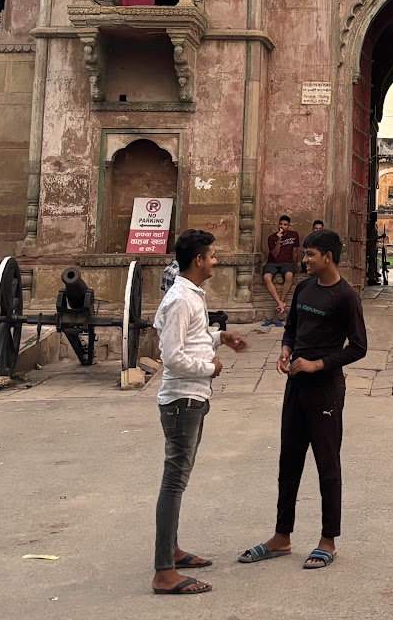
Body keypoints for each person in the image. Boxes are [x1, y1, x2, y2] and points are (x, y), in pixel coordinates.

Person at [239, 228, 368, 570]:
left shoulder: (345, 297)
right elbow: (292, 327)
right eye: (305, 254)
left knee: (327, 464)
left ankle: (329, 539)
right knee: (289, 462)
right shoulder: (304, 288)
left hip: (325, 389)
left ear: (328, 257)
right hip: (295, 386)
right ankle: (282, 536)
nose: (304, 259)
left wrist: (318, 364)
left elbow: (358, 347)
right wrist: (286, 350)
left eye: (311, 255)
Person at [150, 229, 248, 596]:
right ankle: (164, 571)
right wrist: (210, 367)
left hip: (191, 398)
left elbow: (189, 338)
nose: (215, 261)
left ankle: (171, 551)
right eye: (212, 256)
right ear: (198, 261)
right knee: (173, 483)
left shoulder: (189, 296)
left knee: (178, 480)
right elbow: (172, 356)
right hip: (182, 399)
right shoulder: (180, 298)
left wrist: (220, 338)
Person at [260, 216, 300, 325]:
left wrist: (295, 265)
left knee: (289, 276)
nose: (282, 226)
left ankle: (280, 302)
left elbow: (295, 251)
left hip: (287, 263)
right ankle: (280, 303)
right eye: (281, 224)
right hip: (273, 263)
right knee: (266, 277)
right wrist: (279, 240)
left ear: (289, 225)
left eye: (285, 225)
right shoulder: (272, 238)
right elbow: (274, 254)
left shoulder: (294, 235)